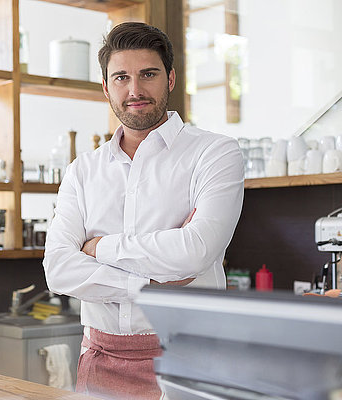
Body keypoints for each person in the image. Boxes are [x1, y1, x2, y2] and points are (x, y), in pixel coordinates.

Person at [42, 22, 244, 400]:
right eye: (121, 77)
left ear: (169, 78)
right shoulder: (83, 171)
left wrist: (99, 248)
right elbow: (58, 269)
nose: (134, 90)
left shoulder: (215, 153)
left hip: (191, 356)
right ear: (106, 87)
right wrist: (150, 285)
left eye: (147, 74)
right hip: (101, 359)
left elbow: (195, 251)